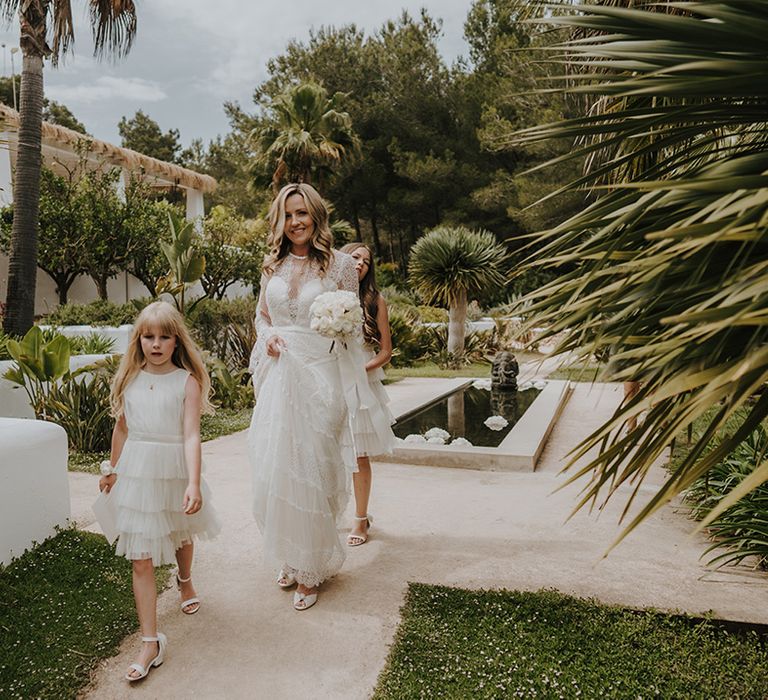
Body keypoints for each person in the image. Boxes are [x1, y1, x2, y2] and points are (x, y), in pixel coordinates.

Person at [248, 182, 359, 611]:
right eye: (288, 214)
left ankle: (312, 566)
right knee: (280, 468)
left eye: (303, 213)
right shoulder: (270, 265)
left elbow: (353, 320)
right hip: (279, 377)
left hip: (321, 377)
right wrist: (269, 338)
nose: (295, 222)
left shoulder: (340, 265)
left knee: (315, 467)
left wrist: (337, 327)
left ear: (316, 216)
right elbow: (261, 316)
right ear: (280, 219)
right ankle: (292, 556)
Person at [99, 300, 220, 682]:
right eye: (148, 336)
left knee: (181, 530)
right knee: (141, 557)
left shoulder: (187, 381)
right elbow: (122, 428)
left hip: (174, 467)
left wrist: (192, 480)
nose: (155, 344)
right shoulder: (129, 378)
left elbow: (191, 434)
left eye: (164, 337)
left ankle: (185, 580)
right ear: (138, 340)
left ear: (175, 341)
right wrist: (112, 470)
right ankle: (151, 642)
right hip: (137, 470)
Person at [340, 242, 397, 546]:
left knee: (358, 453)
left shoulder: (375, 301)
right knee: (326, 450)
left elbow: (386, 351)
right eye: (355, 257)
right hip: (330, 378)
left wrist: (362, 370)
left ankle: (361, 519)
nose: (361, 263)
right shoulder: (327, 297)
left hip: (360, 381)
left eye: (366, 260)